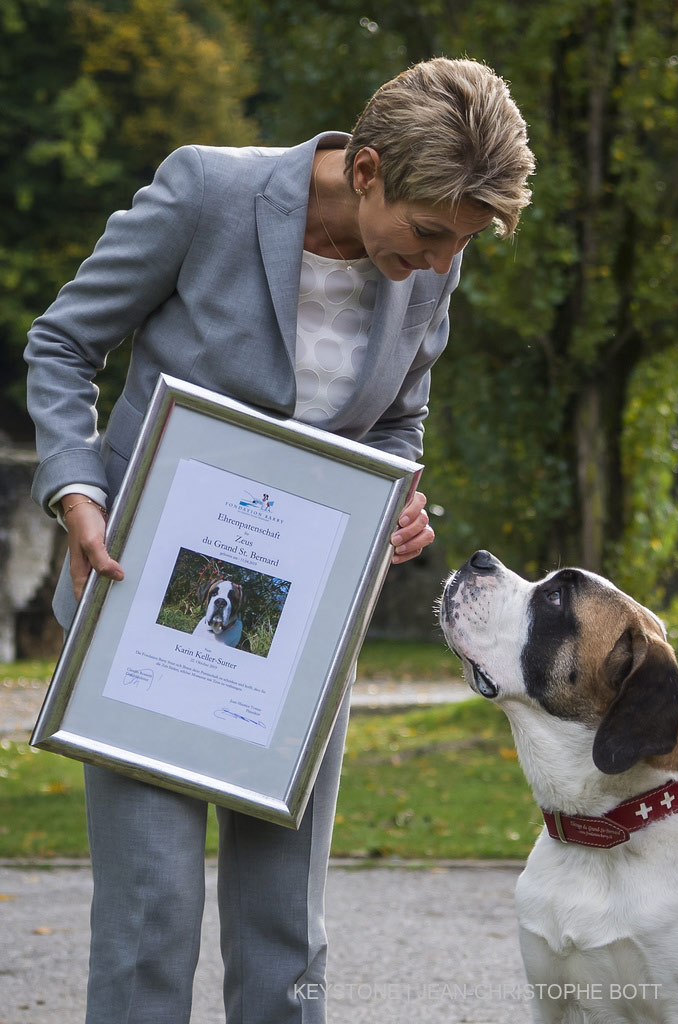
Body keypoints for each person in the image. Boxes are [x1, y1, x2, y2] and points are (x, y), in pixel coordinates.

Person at [25, 56, 534, 1024]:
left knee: (284, 924)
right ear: (368, 169)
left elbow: (398, 421)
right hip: (139, 605)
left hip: (303, 621)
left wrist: (399, 497)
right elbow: (62, 344)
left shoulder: (434, 250)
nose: (437, 262)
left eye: (457, 245)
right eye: (428, 234)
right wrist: (77, 489)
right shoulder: (205, 190)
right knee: (150, 913)